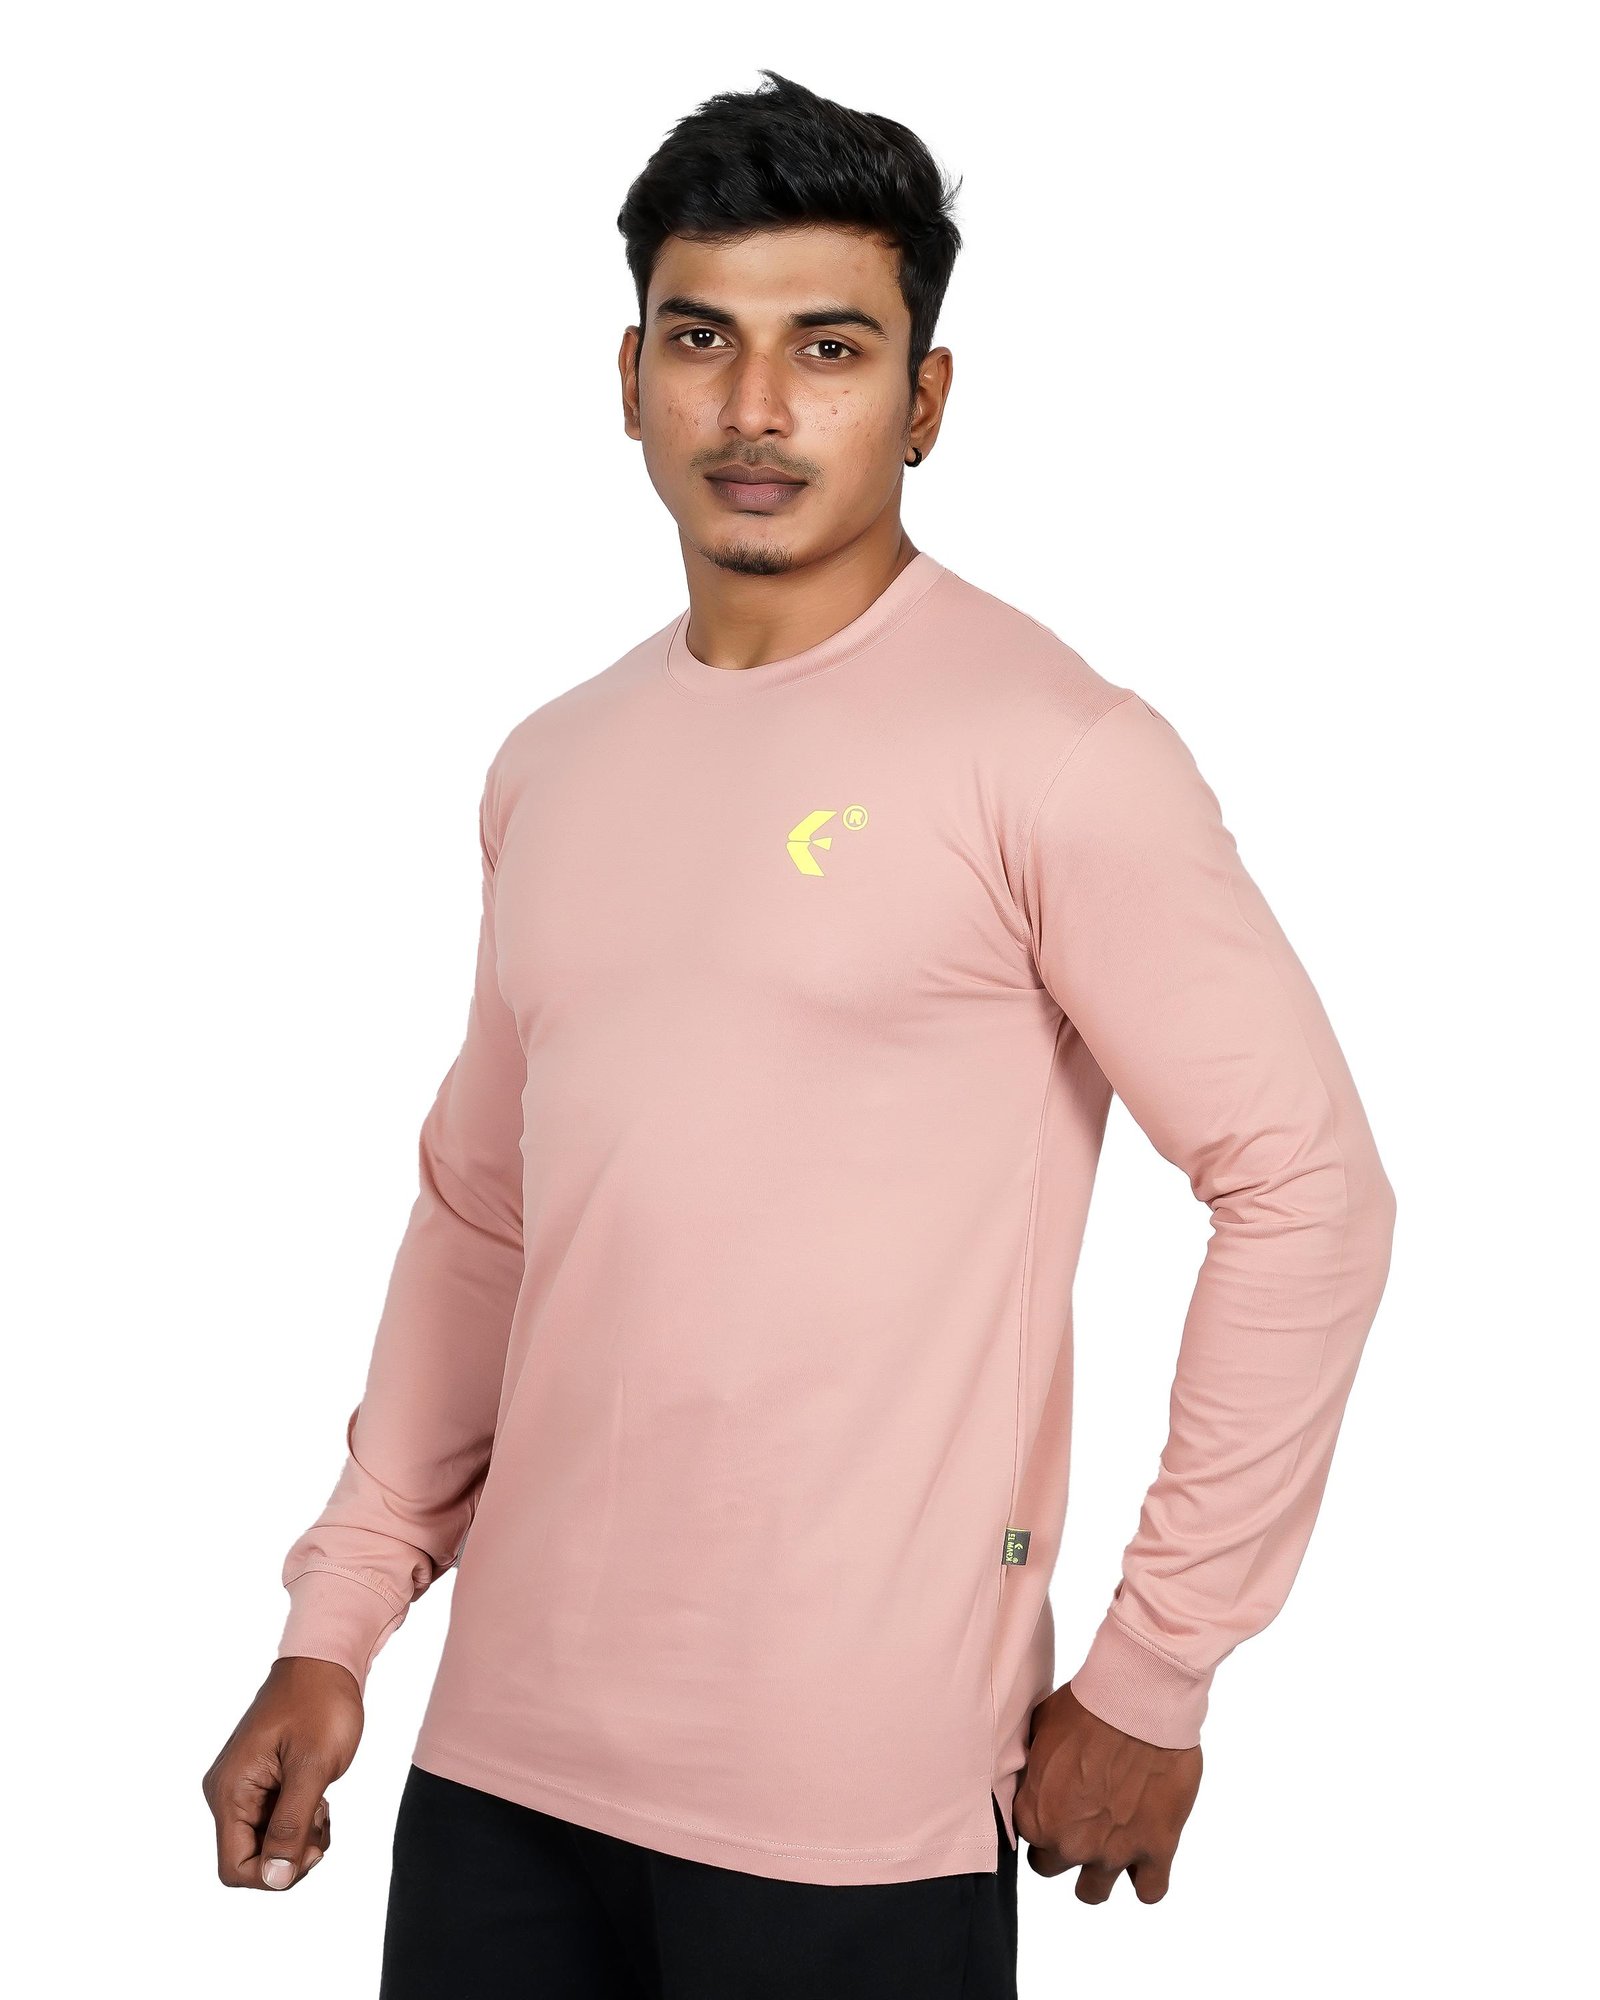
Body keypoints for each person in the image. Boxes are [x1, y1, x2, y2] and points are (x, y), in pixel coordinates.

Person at [202, 68, 1397, 1999]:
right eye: (703, 340)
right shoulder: (554, 761)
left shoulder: (1056, 752)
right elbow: (484, 1217)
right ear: (629, 376)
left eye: (828, 349)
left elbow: (1309, 1193)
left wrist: (1157, 1668)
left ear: (926, 398)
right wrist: (336, 1621)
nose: (754, 408)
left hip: (853, 1805)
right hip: (502, 1769)